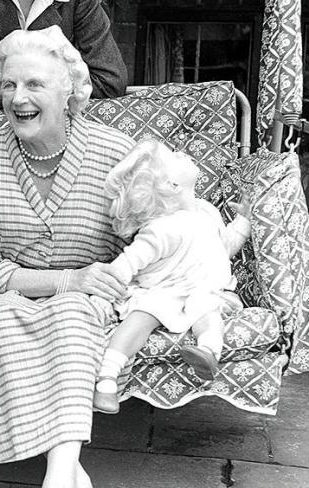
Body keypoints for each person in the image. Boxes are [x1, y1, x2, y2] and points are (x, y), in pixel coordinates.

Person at [0, 26, 132, 488]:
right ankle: (65, 471)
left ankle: (59, 473)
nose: (19, 97)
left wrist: (87, 284)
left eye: (35, 84)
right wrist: (65, 281)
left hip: (89, 298)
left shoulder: (115, 154)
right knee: (6, 317)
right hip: (2, 296)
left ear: (70, 92)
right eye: (10, 85)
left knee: (73, 314)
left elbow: (137, 249)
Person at [92, 139, 251, 414]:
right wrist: (101, 291)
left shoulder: (206, 211)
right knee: (143, 314)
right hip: (163, 290)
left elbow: (223, 249)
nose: (182, 152)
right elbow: (128, 263)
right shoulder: (160, 230)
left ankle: (208, 352)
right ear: (172, 185)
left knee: (208, 309)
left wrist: (244, 221)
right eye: (175, 155)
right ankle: (107, 377)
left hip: (202, 289)